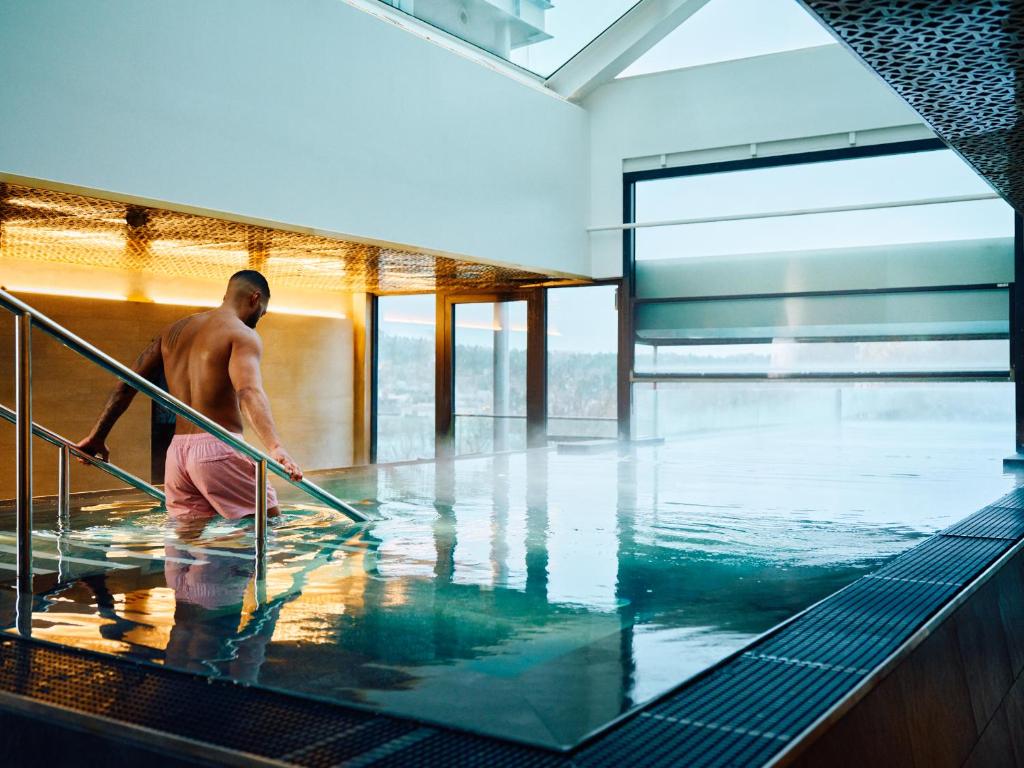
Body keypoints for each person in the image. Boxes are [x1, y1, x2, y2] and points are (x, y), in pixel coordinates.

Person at [76, 270, 302, 521]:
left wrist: (97, 435)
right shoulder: (241, 334)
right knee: (268, 526)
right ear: (255, 298)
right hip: (219, 447)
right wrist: (275, 446)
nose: (261, 317)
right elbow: (247, 390)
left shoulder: (173, 331)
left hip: (177, 455)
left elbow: (127, 384)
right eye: (263, 311)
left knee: (184, 545)